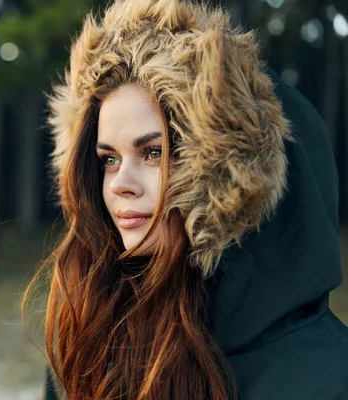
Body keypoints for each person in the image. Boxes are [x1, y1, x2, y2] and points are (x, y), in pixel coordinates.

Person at [22, 0, 348, 399]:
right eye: (108, 159)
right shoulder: (90, 340)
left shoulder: (328, 379)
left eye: (153, 152)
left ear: (234, 179)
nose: (120, 183)